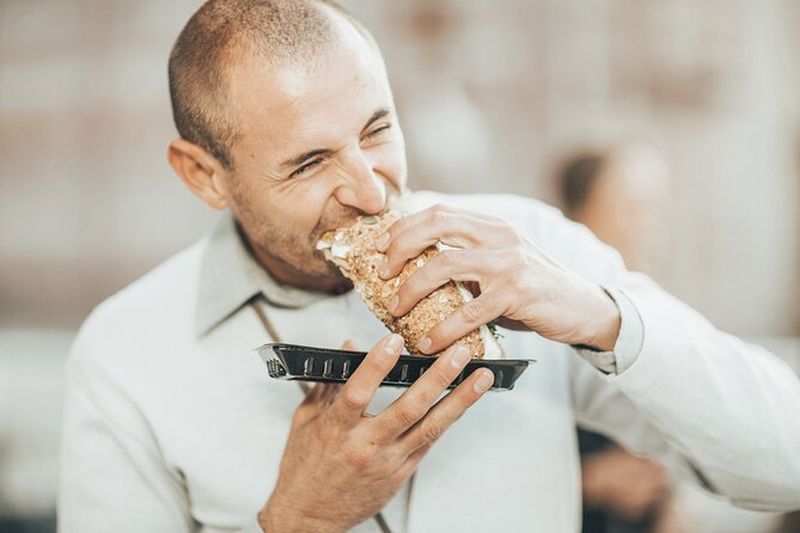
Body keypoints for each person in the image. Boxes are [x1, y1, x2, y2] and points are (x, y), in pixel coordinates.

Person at [58, 2, 800, 532]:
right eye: (310, 162)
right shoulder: (124, 353)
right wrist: (297, 522)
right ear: (203, 175)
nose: (371, 190)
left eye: (377, 129)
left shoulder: (531, 248)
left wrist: (601, 315)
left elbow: (786, 463)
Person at [557, 144, 684, 533]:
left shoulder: (654, 309)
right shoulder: (536, 320)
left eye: (652, 207)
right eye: (631, 206)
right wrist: (592, 481)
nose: (647, 224)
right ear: (580, 212)